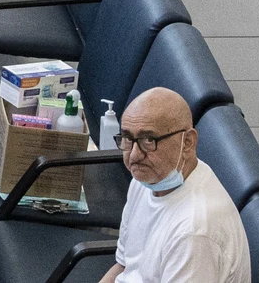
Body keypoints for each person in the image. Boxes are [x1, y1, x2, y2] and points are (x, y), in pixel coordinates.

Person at [103, 87, 250, 283]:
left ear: (188, 142)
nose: (134, 155)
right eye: (128, 138)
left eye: (149, 140)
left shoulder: (194, 233)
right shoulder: (148, 177)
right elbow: (123, 267)